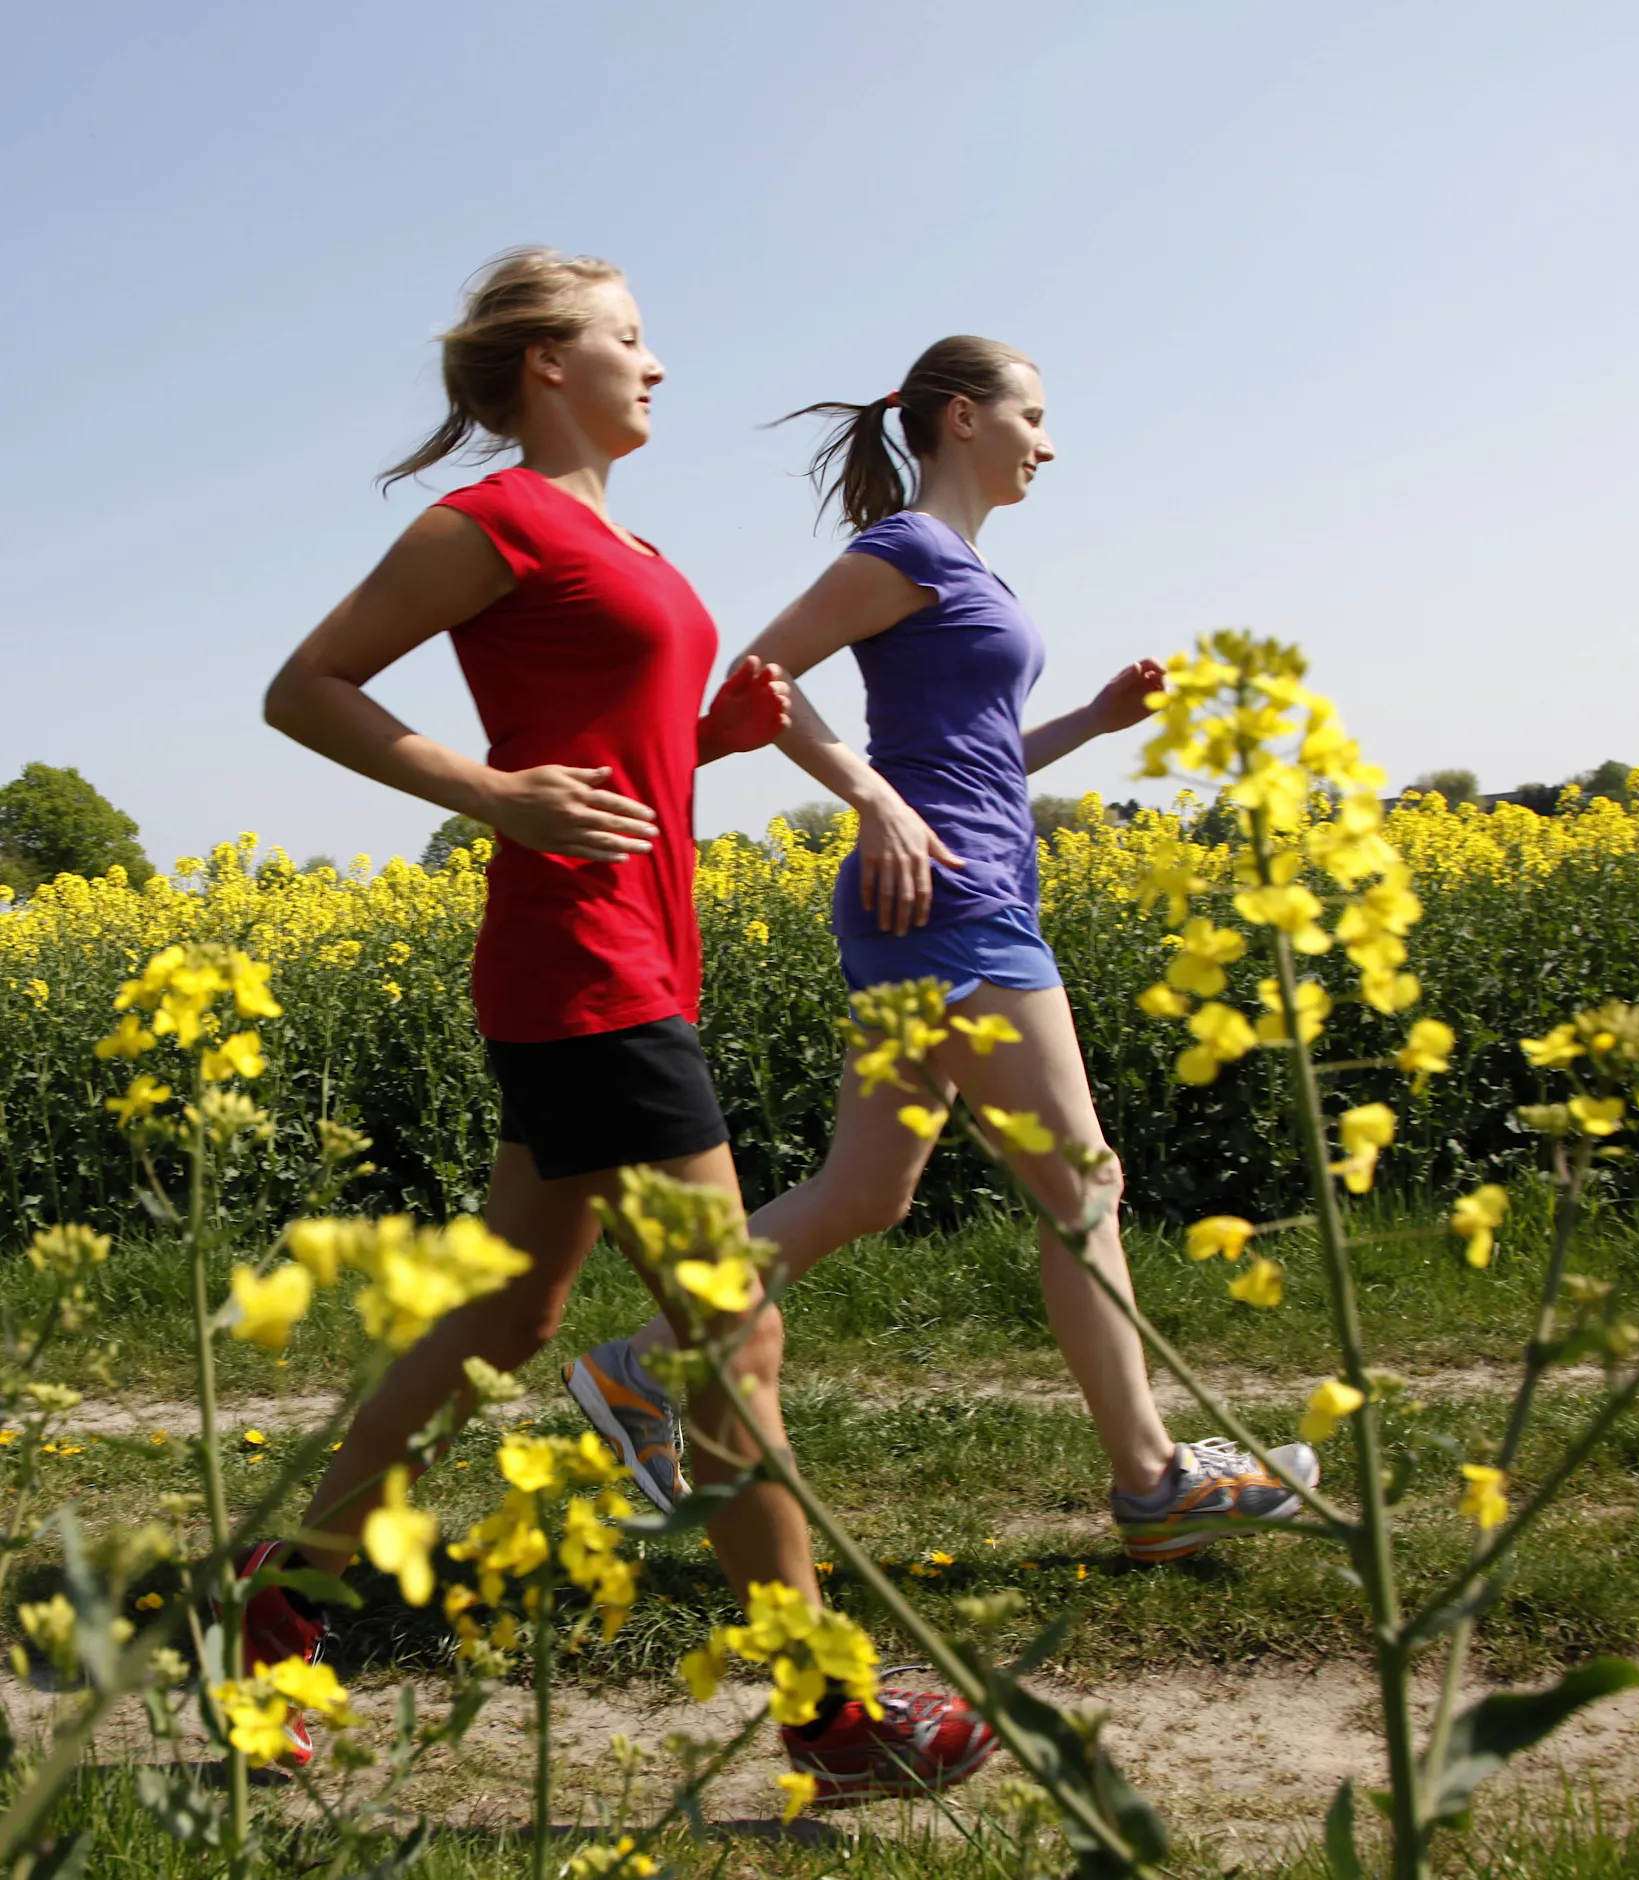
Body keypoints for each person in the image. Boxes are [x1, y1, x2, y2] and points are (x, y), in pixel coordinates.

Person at [252, 250, 994, 1800]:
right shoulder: (496, 522)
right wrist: (489, 791)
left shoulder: (620, 538)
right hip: (582, 968)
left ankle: (279, 1595)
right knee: (733, 1331)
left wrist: (711, 738)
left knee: (515, 1320)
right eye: (630, 339)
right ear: (545, 364)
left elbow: (623, 755)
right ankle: (827, 1712)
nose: (656, 365)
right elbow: (306, 687)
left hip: (634, 956)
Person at [569, 335, 1318, 1565]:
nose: (1049, 439)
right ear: (963, 418)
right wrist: (869, 798)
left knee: (867, 1192)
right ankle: (1151, 1482)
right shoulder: (905, 549)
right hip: (950, 905)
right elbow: (760, 672)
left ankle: (643, 1368)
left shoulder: (964, 567)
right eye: (1034, 414)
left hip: (946, 895)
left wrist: (1089, 719)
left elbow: (970, 766)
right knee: (1082, 1185)